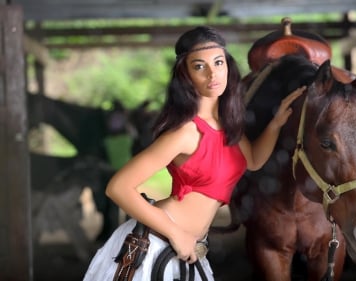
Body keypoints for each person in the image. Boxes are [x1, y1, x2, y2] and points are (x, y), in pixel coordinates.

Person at [83, 26, 304, 280]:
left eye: (218, 62)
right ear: (185, 75)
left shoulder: (228, 124)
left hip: (188, 249)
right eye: (199, 66)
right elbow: (118, 187)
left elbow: (253, 161)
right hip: (157, 245)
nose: (213, 73)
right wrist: (176, 234)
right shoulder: (186, 132)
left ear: (228, 67)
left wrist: (275, 124)